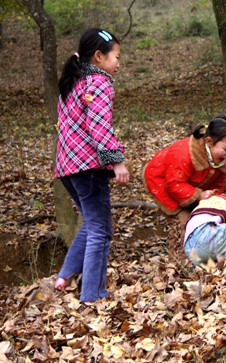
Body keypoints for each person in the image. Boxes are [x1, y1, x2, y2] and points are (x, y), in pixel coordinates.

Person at [54, 29, 129, 302]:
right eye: (116, 57)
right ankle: (93, 296)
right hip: (90, 167)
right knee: (101, 230)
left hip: (67, 168)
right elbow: (99, 126)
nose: (119, 63)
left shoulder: (72, 82)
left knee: (92, 222)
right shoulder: (99, 83)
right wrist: (117, 162)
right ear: (98, 57)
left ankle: (64, 275)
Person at [143, 115, 226, 255]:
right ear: (209, 142)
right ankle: (180, 260)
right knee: (182, 220)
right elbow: (173, 184)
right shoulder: (183, 154)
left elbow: (220, 183)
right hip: (162, 182)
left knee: (205, 216)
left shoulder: (224, 159)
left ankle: (205, 251)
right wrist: (198, 195)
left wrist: (213, 197)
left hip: (190, 184)